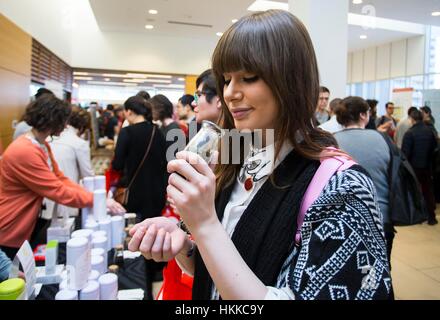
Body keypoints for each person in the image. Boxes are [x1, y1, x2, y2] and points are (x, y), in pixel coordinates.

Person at [128, 10, 392, 300]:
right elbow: (223, 270)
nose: (230, 93)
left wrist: (204, 224)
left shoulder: (343, 187)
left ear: (292, 79)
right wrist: (186, 246)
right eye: (227, 79)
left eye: (249, 77)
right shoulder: (237, 153)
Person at [0, 95, 125, 259]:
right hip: (11, 225)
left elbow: (60, 178)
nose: (66, 125)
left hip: (24, 224)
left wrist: (94, 197)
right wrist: (96, 199)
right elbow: (56, 189)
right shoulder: (25, 150)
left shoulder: (41, 144)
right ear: (53, 120)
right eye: (63, 121)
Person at [111, 95, 168, 300]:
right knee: (154, 229)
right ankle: (154, 272)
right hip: (156, 191)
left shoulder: (126, 132)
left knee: (137, 230)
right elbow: (165, 161)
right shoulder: (158, 132)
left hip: (135, 192)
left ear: (128, 112)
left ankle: (138, 270)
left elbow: (117, 164)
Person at [334, 97, 395, 267]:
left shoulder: (330, 142)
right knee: (382, 270)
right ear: (363, 115)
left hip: (342, 219)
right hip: (381, 216)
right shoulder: (382, 139)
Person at [41, 106, 95, 223]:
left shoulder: (49, 139)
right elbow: (88, 175)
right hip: (68, 196)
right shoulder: (79, 143)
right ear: (82, 127)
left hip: (46, 197)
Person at [402, 109, 438, 225]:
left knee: (413, 192)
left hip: (413, 168)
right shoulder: (430, 131)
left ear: (412, 120)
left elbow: (405, 154)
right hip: (427, 167)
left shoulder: (410, 133)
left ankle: (417, 217)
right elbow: (435, 149)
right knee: (428, 191)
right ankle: (431, 217)